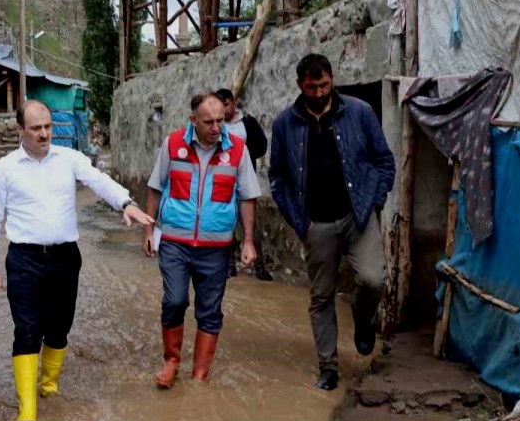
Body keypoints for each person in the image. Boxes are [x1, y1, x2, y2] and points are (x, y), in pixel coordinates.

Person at [0, 100, 153, 421]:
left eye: (47, 126)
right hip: (24, 260)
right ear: (20, 130)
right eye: (36, 128)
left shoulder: (69, 159)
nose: (44, 133)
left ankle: (49, 385)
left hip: (64, 258)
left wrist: (126, 202)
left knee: (59, 327)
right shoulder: (5, 167)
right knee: (27, 329)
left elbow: (99, 181)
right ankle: (27, 409)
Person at [268, 54, 395, 391]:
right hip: (316, 224)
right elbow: (277, 177)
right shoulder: (284, 124)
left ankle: (362, 317)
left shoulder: (359, 112)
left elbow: (384, 161)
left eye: (324, 85)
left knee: (373, 279)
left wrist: (376, 200)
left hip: (359, 216)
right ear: (300, 86)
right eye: (312, 87)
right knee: (321, 296)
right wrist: (300, 222)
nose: (319, 92)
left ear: (332, 78)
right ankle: (328, 366)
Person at [142, 92, 260, 388]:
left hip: (217, 248)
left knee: (209, 310)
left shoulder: (238, 150)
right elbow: (155, 188)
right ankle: (171, 361)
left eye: (221, 120)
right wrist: (148, 231)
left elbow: (247, 198)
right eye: (209, 121)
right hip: (174, 242)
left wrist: (248, 241)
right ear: (193, 120)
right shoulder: (172, 144)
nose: (217, 127)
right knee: (174, 300)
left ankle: (199, 375)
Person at [214, 88, 272, 281]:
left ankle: (259, 267)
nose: (224, 109)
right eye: (221, 106)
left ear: (233, 102)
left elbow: (262, 144)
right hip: (223, 183)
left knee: (250, 224)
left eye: (227, 104)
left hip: (245, 180)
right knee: (226, 223)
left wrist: (243, 156)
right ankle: (229, 265)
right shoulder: (217, 125)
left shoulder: (247, 122)